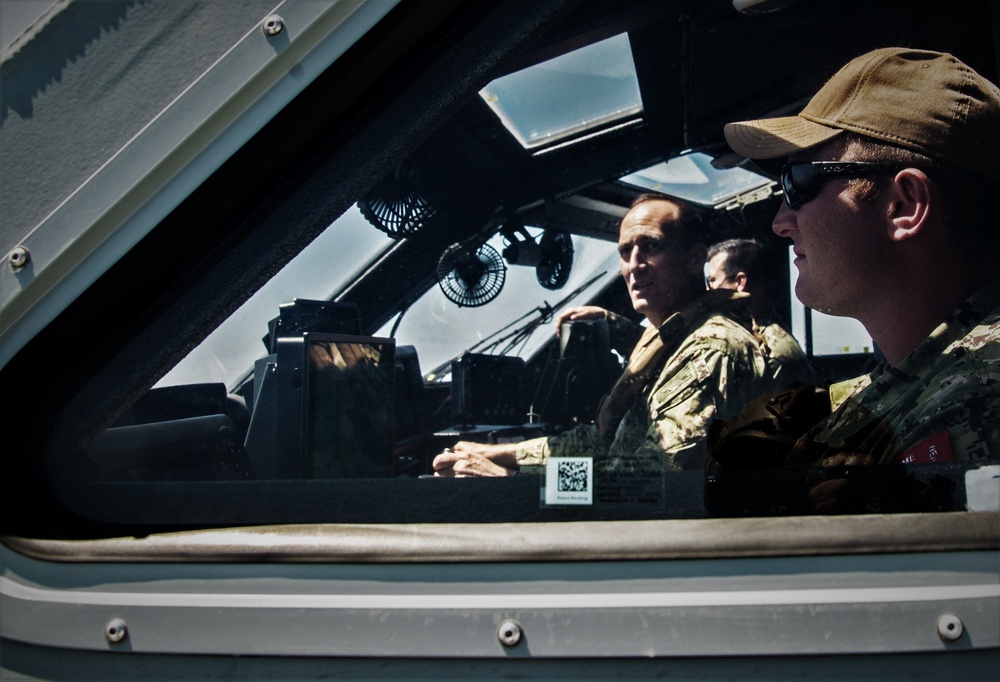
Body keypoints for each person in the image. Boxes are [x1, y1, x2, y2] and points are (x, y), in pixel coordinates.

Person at [722, 47, 1000, 494]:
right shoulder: (923, 376)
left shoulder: (977, 404)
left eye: (797, 184)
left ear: (904, 205)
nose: (779, 222)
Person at [432, 194, 768, 477]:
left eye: (651, 246)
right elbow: (598, 442)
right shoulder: (669, 338)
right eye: (625, 252)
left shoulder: (710, 348)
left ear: (695, 260)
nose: (634, 265)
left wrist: (510, 482)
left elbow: (650, 482)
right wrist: (502, 454)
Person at [706, 237, 815, 389]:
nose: (708, 290)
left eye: (712, 280)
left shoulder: (773, 354)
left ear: (739, 282)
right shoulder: (748, 334)